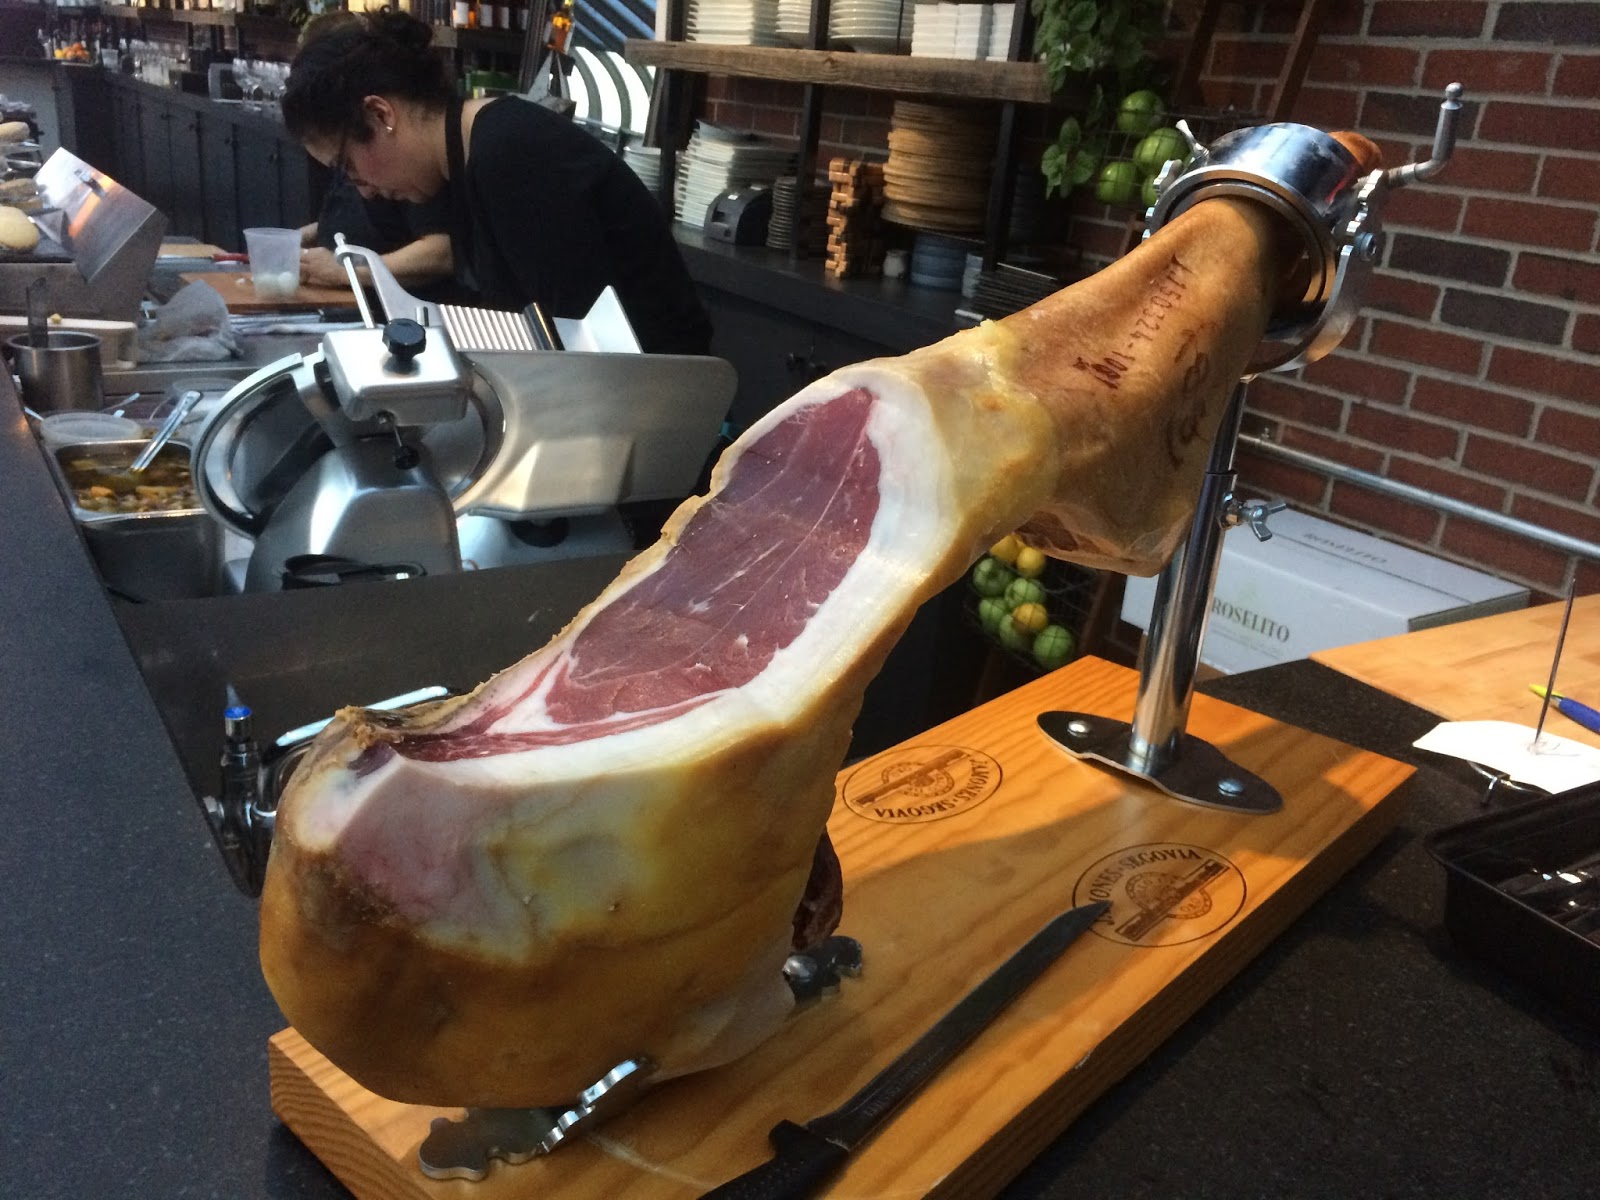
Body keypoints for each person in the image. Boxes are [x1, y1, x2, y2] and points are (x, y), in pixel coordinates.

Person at [280, 10, 712, 357]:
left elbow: (580, 347)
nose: (363, 189)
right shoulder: (464, 159)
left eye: (348, 165)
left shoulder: (510, 152)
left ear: (380, 114)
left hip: (655, 392)